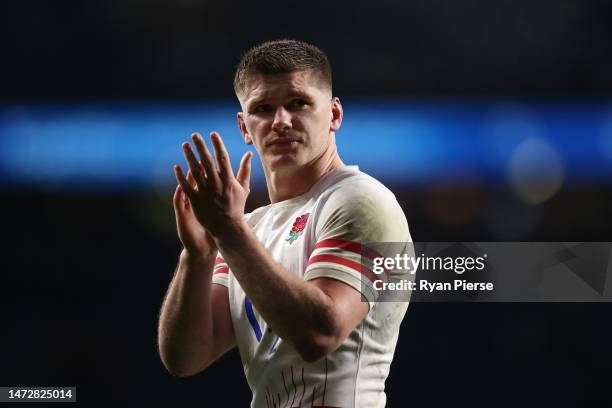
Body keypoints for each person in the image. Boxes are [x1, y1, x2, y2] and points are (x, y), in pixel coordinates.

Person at [158, 39, 413, 408]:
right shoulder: (249, 228)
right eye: (263, 108)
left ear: (335, 115)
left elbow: (320, 333)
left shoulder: (361, 201)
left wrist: (229, 232)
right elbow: (185, 358)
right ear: (245, 127)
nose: (281, 121)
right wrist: (196, 256)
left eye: (298, 103)